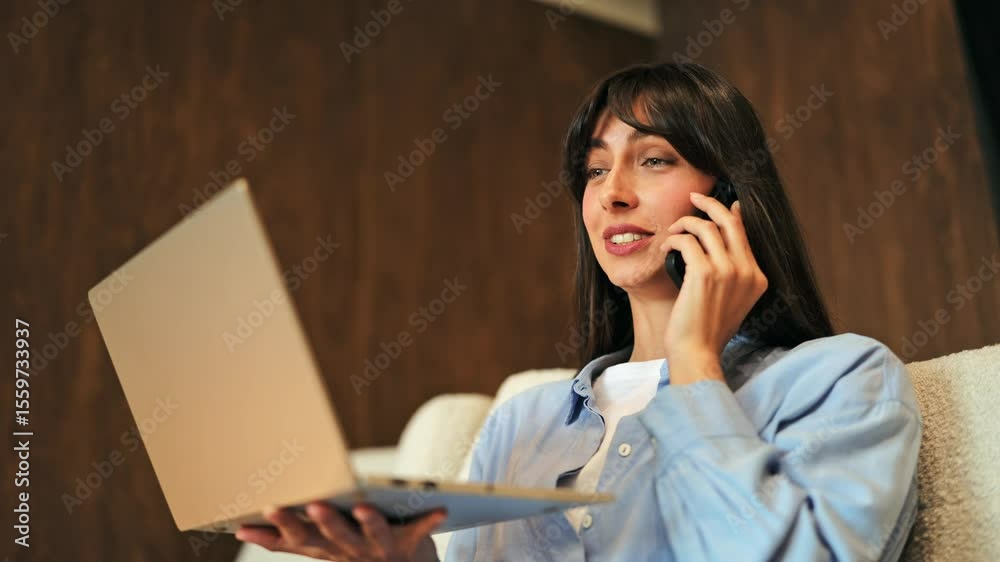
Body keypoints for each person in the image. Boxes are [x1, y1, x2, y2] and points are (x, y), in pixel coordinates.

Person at [235, 62, 922, 562]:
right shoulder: (522, 421)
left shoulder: (842, 378)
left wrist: (693, 363)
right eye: (595, 170)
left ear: (729, 196)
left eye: (654, 160)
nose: (612, 194)